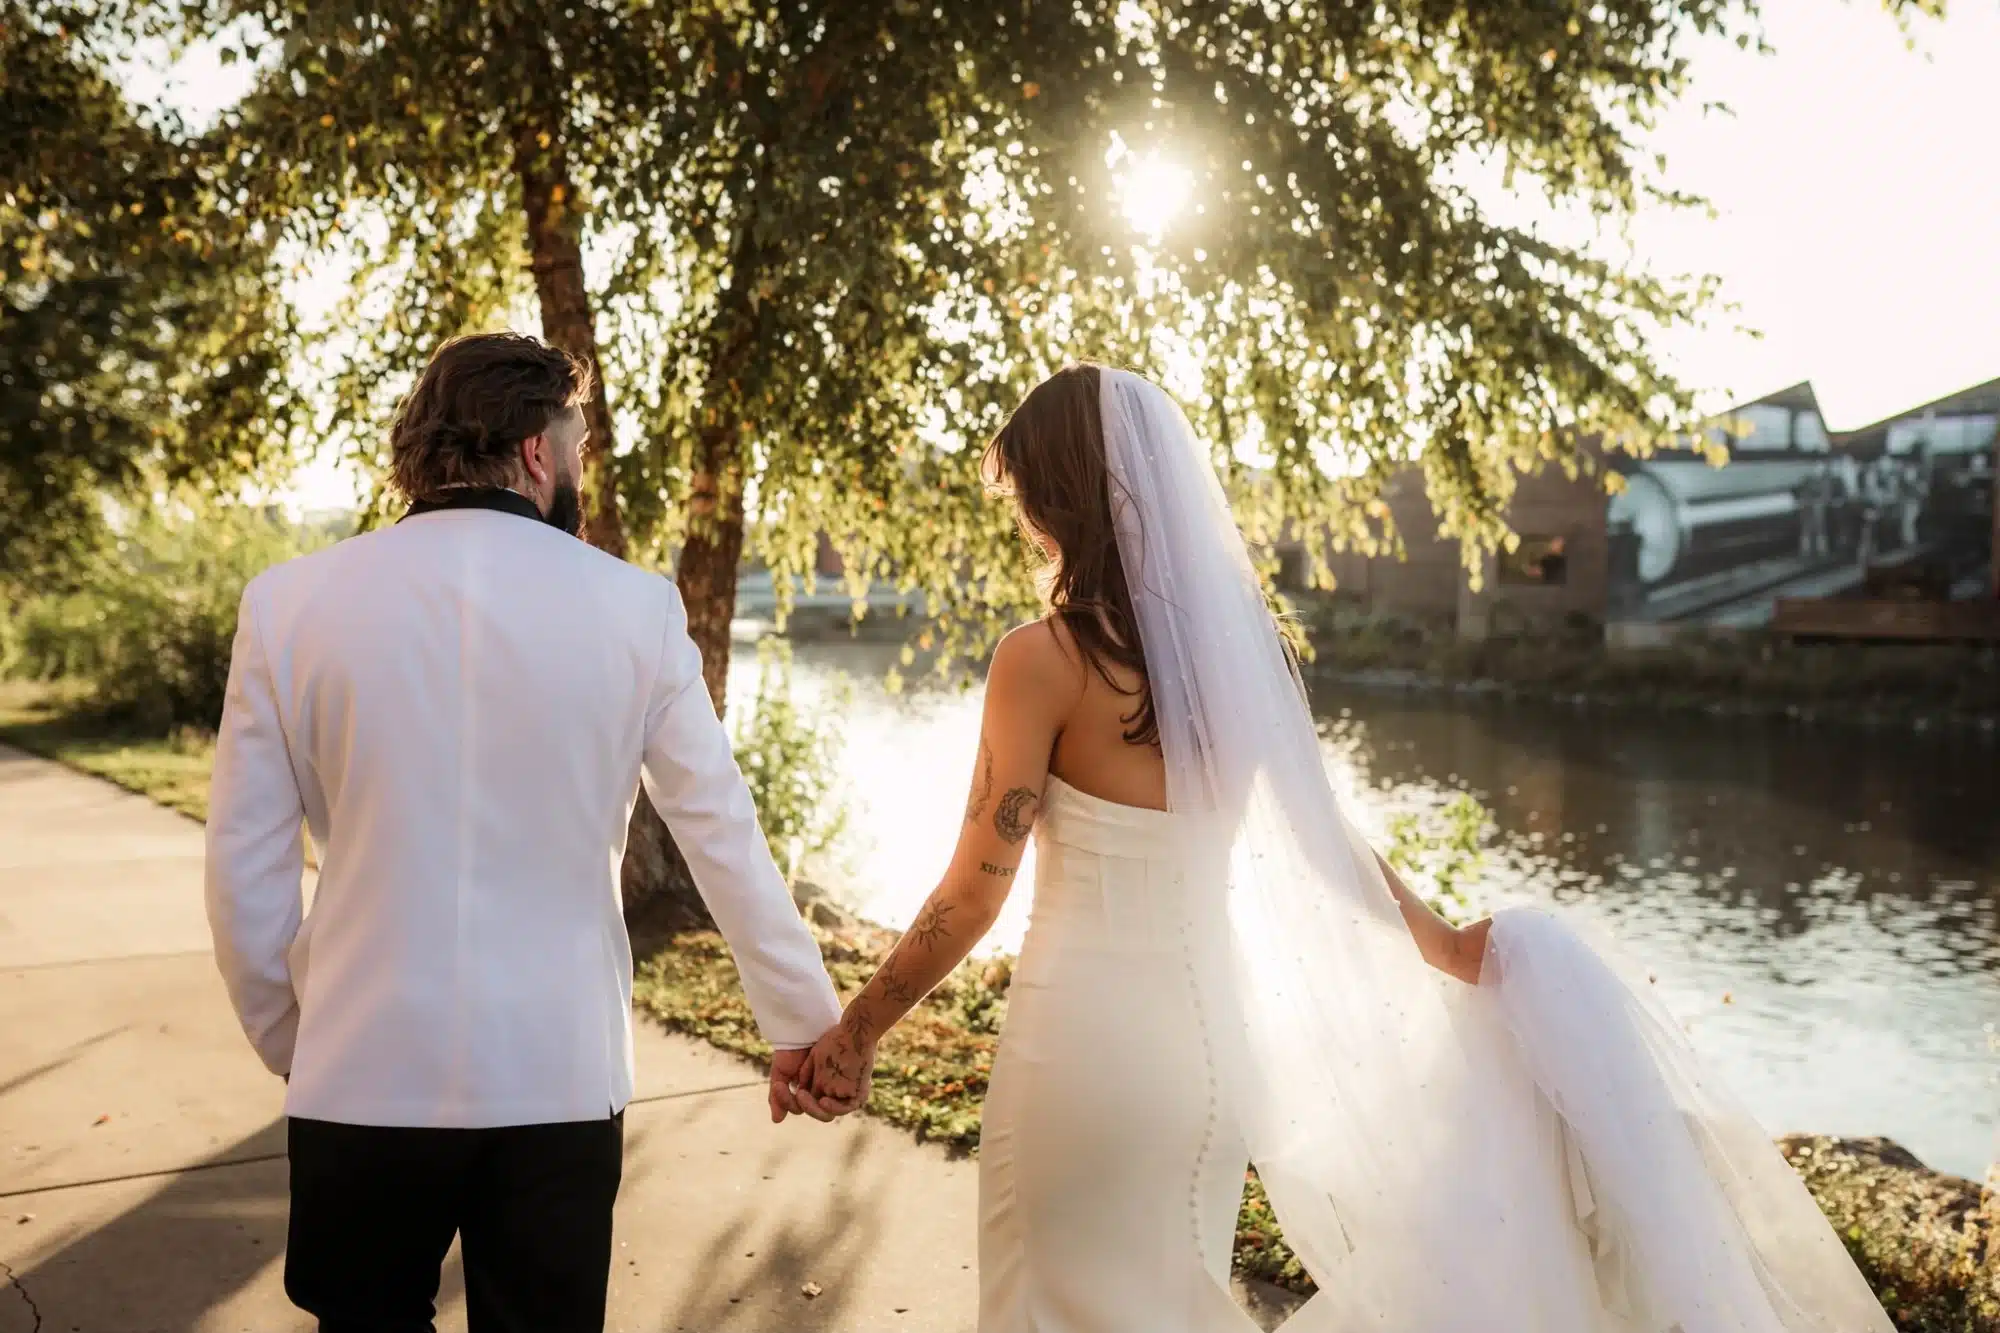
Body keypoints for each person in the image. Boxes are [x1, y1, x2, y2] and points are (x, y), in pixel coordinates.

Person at [792, 363, 1894, 1331]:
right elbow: (1323, 841)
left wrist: (854, 1029)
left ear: (1060, 497)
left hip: (1081, 1055)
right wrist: (1446, 946)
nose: (1024, 521)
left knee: (1046, 1306)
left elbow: (975, 892)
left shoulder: (1041, 659)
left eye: (1028, 495)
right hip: (1207, 1063)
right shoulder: (1225, 663)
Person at [204, 332, 849, 1333]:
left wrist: (296, 1037)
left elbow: (244, 869)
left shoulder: (289, 605)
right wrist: (804, 1023)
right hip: (557, 1075)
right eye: (579, 441)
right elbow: (720, 833)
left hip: (361, 1070)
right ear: (540, 451)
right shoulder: (635, 609)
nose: (581, 465)